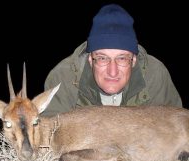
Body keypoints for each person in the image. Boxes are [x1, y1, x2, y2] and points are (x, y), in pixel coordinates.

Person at [42, 4, 182, 117]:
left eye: (122, 58)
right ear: (91, 59)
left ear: (133, 60)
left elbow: (174, 129)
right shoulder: (62, 79)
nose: (112, 72)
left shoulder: (155, 75)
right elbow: (49, 135)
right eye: (102, 58)